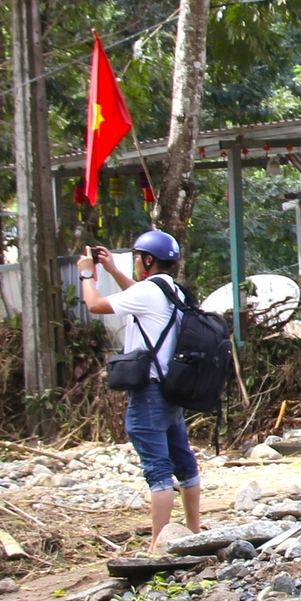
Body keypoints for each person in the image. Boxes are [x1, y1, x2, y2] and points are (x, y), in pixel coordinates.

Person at [79, 230, 200, 547]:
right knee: (185, 465)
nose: (133, 262)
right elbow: (139, 297)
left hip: (149, 391)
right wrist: (114, 271)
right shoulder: (176, 292)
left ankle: (157, 545)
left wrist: (86, 273)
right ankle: (194, 533)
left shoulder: (148, 292)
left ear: (148, 260)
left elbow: (94, 304)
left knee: (158, 473)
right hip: (172, 389)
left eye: (136, 257)